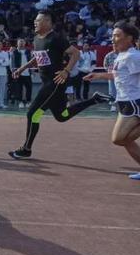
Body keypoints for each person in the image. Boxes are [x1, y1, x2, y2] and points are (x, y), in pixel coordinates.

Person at [8, 11, 110, 160]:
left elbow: (76, 53)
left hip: (55, 82)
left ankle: (26, 149)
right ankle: (94, 100)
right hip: (47, 82)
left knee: (33, 114)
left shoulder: (56, 38)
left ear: (48, 22)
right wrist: (22, 68)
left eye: (38, 20)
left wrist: (66, 71)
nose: (35, 23)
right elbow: (37, 58)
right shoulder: (36, 38)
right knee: (62, 116)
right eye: (35, 20)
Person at [84, 23, 140, 180]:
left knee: (120, 138)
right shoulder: (121, 55)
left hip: (134, 102)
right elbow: (119, 76)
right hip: (123, 102)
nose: (113, 39)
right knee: (121, 139)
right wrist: (98, 75)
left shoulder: (133, 56)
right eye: (113, 36)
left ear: (129, 38)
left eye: (117, 35)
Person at [11, 38, 33, 109]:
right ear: (17, 43)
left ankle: (28, 101)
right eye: (20, 42)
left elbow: (31, 61)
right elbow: (12, 62)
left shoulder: (28, 51)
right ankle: (20, 102)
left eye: (22, 42)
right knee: (19, 88)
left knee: (29, 88)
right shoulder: (14, 52)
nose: (21, 43)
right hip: (18, 72)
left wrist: (32, 72)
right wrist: (13, 71)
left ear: (25, 43)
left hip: (28, 73)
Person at [104, 43, 119, 112]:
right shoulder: (109, 55)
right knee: (112, 91)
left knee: (120, 90)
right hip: (111, 75)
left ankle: (120, 105)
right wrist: (108, 70)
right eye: (114, 46)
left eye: (116, 46)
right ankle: (113, 106)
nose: (115, 47)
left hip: (121, 76)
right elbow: (105, 65)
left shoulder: (123, 55)